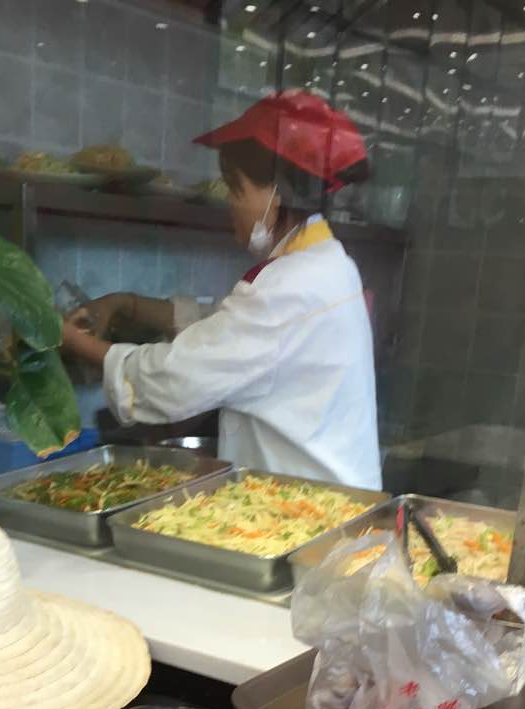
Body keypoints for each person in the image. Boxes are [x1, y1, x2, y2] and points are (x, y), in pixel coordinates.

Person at [60, 90, 381, 488]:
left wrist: (72, 341)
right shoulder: (328, 262)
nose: (230, 203)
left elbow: (177, 379)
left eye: (235, 188)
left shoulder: (289, 286)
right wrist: (127, 304)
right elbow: (227, 330)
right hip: (340, 496)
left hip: (309, 505)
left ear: (276, 195)